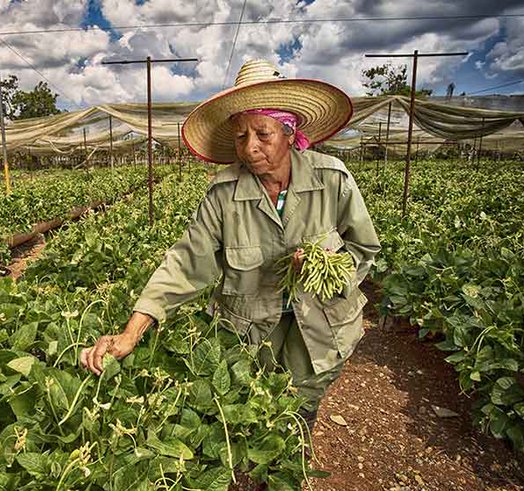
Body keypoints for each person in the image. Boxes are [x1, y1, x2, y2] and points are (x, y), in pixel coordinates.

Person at [80, 60, 381, 423]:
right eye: (241, 137)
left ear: (289, 132)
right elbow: (186, 263)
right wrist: (132, 332)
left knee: (300, 410)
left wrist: (326, 269)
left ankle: (295, 450)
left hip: (322, 325)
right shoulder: (224, 193)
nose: (250, 147)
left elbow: (363, 247)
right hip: (252, 331)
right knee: (255, 411)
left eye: (263, 134)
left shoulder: (332, 179)